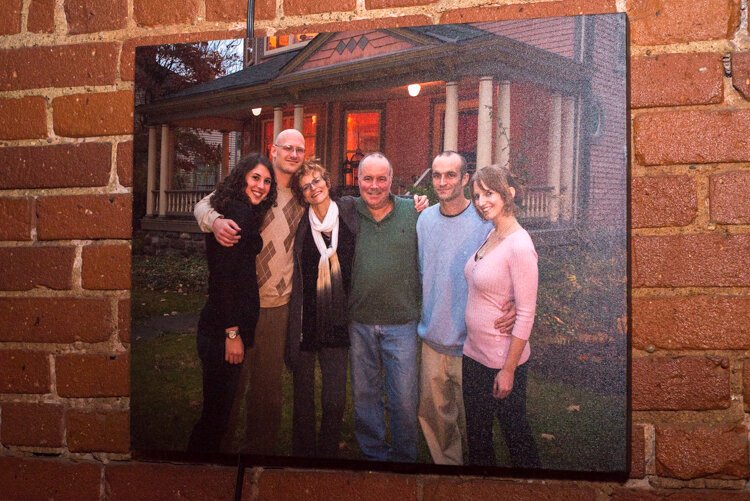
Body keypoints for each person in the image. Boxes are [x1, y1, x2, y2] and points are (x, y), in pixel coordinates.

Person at [194, 129, 306, 454]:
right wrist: (214, 221)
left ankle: (260, 456)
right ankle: (221, 454)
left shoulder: (302, 193)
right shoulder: (251, 185)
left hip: (276, 304)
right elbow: (204, 204)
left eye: (300, 149)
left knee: (267, 392)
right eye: (288, 148)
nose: (294, 154)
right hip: (241, 305)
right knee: (231, 390)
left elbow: (336, 202)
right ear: (274, 149)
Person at [187, 153, 277, 453]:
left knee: (216, 415)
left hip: (221, 329)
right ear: (241, 178)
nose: (261, 186)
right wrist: (232, 334)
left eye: (266, 181)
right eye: (255, 178)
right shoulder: (236, 215)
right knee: (214, 421)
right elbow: (223, 281)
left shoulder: (236, 210)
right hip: (221, 333)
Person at [416, 151, 492, 465]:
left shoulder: (484, 221)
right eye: (437, 175)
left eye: (451, 175)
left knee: (477, 425)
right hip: (432, 339)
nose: (443, 181)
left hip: (472, 344)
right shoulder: (424, 220)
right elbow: (422, 271)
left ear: (465, 179)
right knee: (437, 424)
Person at [462, 164, 541, 468]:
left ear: (509, 193)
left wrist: (508, 370)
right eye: (477, 195)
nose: (481, 201)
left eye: (489, 193)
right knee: (479, 440)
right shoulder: (492, 233)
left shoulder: (520, 245)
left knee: (517, 438)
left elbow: (526, 313)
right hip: (473, 355)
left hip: (500, 361)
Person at [348, 152, 421, 462]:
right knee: (365, 395)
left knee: (403, 399)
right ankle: (374, 454)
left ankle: (405, 457)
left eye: (381, 178)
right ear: (357, 180)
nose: (374, 186)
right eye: (367, 178)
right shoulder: (347, 212)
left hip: (401, 322)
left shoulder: (413, 212)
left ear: (392, 180)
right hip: (359, 321)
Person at [285, 160, 358, 458]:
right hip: (306, 318)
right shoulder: (300, 223)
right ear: (302, 194)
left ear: (327, 182)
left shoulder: (351, 212)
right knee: (302, 393)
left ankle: (328, 449)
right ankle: (303, 451)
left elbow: (385, 201)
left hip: (339, 319)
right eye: (306, 186)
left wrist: (416, 203)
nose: (313, 188)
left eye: (317, 181)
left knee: (334, 397)